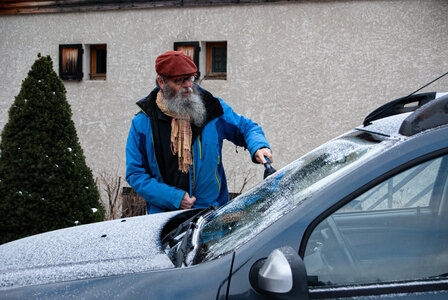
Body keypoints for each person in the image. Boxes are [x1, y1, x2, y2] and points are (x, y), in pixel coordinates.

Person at [126, 50, 273, 214]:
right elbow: (136, 174)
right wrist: (173, 198)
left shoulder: (213, 109)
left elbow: (246, 128)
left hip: (212, 214)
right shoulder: (142, 123)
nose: (188, 85)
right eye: (179, 81)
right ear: (161, 82)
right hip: (165, 219)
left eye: (190, 78)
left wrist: (258, 146)